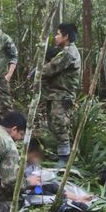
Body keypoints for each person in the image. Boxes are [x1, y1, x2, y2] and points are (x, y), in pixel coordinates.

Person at [41, 23, 81, 166]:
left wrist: (37, 72)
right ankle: (61, 153)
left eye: (58, 34)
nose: (55, 37)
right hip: (55, 93)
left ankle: (65, 158)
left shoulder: (69, 53)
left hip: (63, 94)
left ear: (66, 36)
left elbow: (51, 68)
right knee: (53, 123)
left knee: (60, 123)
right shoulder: (63, 51)